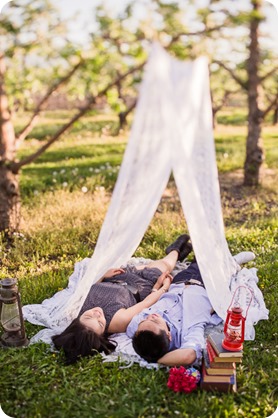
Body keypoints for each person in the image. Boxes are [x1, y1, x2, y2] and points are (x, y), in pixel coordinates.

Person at [52, 234, 193, 364]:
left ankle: (176, 253)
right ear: (104, 334)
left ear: (77, 321)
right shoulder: (116, 322)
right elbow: (146, 303)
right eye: (100, 324)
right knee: (162, 266)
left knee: (148, 265)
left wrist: (103, 275)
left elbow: (92, 285)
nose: (97, 314)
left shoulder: (78, 306)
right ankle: (175, 250)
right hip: (141, 286)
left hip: (118, 276)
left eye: (89, 317)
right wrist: (162, 287)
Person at [127, 260, 223, 366]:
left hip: (179, 281)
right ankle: (234, 261)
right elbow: (189, 356)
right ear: (169, 336)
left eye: (144, 321)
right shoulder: (186, 332)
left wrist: (159, 288)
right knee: (218, 262)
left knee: (201, 255)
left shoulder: (136, 328)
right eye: (156, 322)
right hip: (208, 286)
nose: (150, 316)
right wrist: (155, 360)